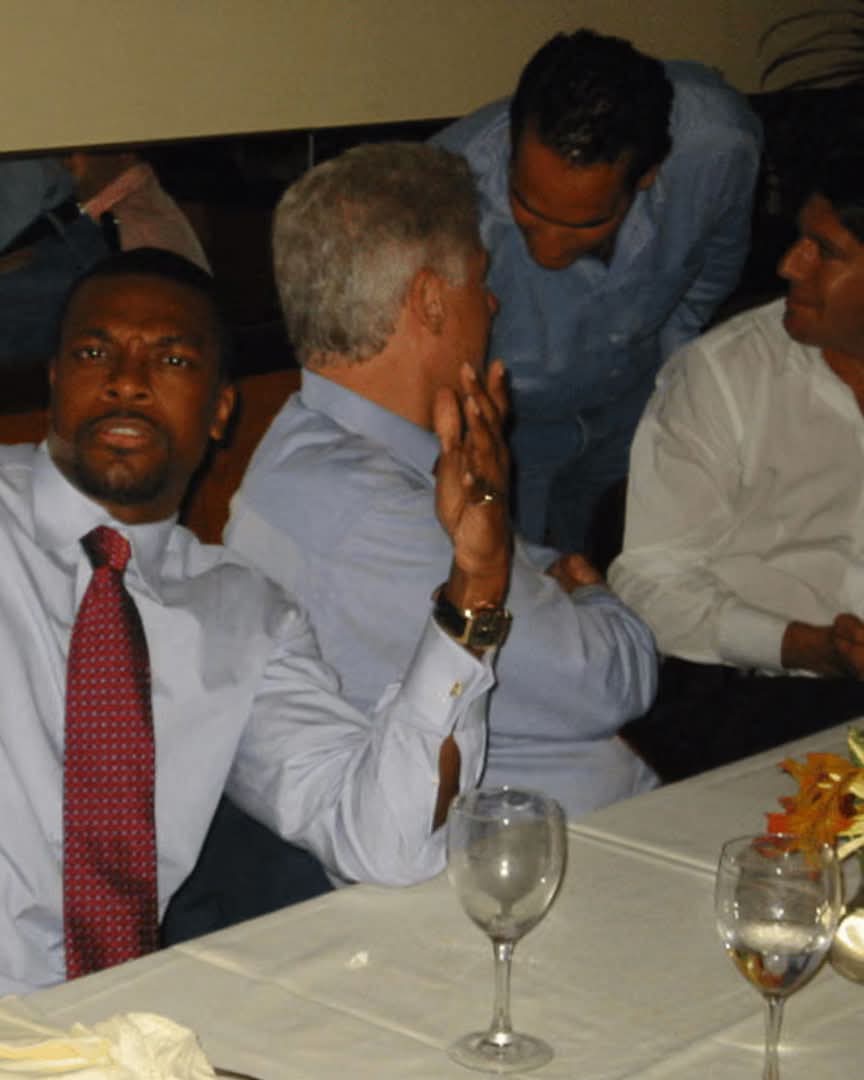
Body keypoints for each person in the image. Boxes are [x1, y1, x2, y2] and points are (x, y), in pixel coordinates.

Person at [0, 246, 511, 994]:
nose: (127, 380)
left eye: (172, 360)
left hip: (119, 1022)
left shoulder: (242, 613)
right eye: (93, 353)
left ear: (220, 411)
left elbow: (385, 842)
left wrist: (477, 586)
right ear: (54, 383)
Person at [225, 142, 658, 822]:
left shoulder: (307, 440)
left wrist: (544, 574)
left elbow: (521, 576)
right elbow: (612, 682)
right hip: (546, 852)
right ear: (429, 301)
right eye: (479, 282)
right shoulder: (375, 513)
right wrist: (595, 595)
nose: (491, 304)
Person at [433, 29, 762, 552]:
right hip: (511, 435)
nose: (548, 247)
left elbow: (715, 263)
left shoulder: (718, 147)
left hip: (637, 408)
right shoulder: (441, 189)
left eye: (584, 224)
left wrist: (674, 378)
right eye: (527, 207)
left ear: (647, 175)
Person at [608, 151, 864, 781]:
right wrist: (805, 646)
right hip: (758, 694)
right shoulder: (725, 375)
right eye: (800, 239)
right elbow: (650, 585)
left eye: (825, 252)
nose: (789, 265)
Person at [0, 149, 207, 364]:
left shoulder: (128, 230)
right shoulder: (109, 212)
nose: (64, 160)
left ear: (125, 150)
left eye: (78, 148)